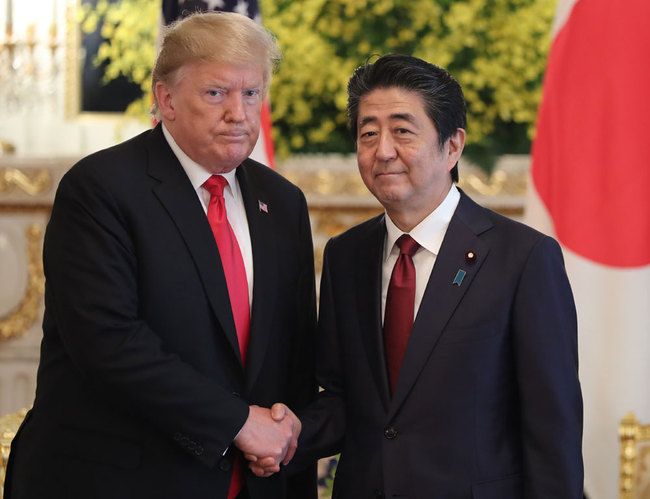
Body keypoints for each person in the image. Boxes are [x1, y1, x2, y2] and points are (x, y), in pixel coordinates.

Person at [4, 12, 316, 499]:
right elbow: (109, 344)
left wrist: (285, 430)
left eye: (251, 93)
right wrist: (238, 423)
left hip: (251, 483)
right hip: (118, 480)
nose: (239, 111)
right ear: (166, 99)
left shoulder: (283, 202)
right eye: (216, 93)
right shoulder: (101, 189)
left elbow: (292, 355)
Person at [253, 54, 584, 497]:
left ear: (453, 146)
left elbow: (552, 428)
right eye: (368, 133)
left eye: (403, 131)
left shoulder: (523, 258)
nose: (383, 150)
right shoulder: (345, 255)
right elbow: (341, 396)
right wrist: (289, 434)